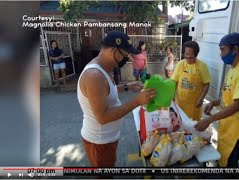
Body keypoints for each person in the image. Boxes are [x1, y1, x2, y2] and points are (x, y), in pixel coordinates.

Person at [77, 31, 156, 168]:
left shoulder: (102, 68)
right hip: (100, 142)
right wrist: (137, 101)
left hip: (108, 138)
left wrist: (127, 87)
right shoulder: (94, 75)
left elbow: (106, 90)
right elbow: (103, 117)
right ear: (114, 51)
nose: (127, 60)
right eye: (125, 55)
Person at [195, 33, 239, 168]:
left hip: (236, 128)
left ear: (235, 49)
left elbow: (237, 105)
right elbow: (227, 97)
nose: (220, 54)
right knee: (223, 158)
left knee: (230, 163)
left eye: (223, 49)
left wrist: (210, 119)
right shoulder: (233, 70)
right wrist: (213, 102)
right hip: (227, 125)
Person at [171, 41, 211, 121]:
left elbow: (206, 84)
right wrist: (172, 95)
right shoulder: (180, 65)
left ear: (196, 55)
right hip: (180, 103)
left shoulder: (202, 66)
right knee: (180, 124)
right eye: (186, 55)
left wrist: (201, 99)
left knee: (193, 127)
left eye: (191, 56)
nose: (188, 58)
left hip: (195, 105)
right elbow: (174, 82)